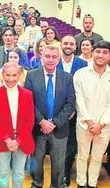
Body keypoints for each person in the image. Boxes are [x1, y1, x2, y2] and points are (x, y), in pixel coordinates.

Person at [24, 45, 76, 188]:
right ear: (41, 57)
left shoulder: (67, 77)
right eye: (47, 56)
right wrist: (41, 121)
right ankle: (37, 184)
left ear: (58, 59)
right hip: (37, 128)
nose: (50, 60)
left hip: (59, 129)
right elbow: (28, 102)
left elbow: (70, 104)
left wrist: (54, 123)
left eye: (54, 57)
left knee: (59, 165)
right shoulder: (31, 75)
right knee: (37, 162)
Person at [0, 61, 35, 188]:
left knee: (19, 173)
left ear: (19, 75)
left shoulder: (27, 94)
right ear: (3, 75)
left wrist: (18, 141)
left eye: (14, 75)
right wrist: (8, 140)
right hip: (3, 139)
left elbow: (30, 121)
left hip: (22, 140)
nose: (10, 79)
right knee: (3, 173)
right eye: (7, 75)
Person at [74, 40, 110, 188]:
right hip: (84, 125)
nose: (100, 55)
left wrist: (101, 124)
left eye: (105, 52)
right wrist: (90, 122)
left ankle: (92, 183)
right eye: (98, 51)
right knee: (82, 156)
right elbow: (79, 100)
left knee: (97, 158)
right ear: (92, 53)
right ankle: (81, 183)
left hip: (105, 126)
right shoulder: (80, 74)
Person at [56, 35, 88, 187]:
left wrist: (74, 109)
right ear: (61, 45)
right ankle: (56, 176)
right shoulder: (53, 61)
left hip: (76, 113)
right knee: (56, 147)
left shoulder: (83, 64)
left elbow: (84, 90)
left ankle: (65, 175)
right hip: (56, 112)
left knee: (70, 147)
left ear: (76, 47)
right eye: (65, 43)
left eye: (71, 44)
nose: (68, 46)